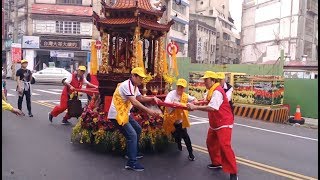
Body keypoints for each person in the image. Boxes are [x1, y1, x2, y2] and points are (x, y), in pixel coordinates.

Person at [108, 67, 162, 172]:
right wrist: (149, 111)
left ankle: (132, 153)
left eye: (142, 78)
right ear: (133, 76)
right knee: (132, 135)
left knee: (137, 129)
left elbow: (140, 98)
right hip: (117, 115)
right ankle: (131, 163)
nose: (141, 80)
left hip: (124, 114)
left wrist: (152, 98)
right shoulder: (126, 85)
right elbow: (135, 102)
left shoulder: (134, 86)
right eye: (140, 77)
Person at [187, 71, 238, 180]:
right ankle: (217, 162)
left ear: (213, 80)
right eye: (204, 80)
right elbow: (207, 101)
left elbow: (212, 107)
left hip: (224, 122)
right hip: (215, 123)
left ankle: (233, 173)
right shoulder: (211, 91)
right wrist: (196, 103)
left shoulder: (218, 92)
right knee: (210, 142)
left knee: (225, 147)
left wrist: (195, 107)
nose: (204, 82)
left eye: (206, 80)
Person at [163, 78, 198, 161]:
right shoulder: (171, 94)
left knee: (186, 137)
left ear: (184, 88)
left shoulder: (185, 95)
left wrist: (194, 101)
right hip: (172, 119)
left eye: (182, 87)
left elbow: (194, 99)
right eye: (179, 86)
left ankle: (191, 153)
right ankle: (178, 145)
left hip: (180, 120)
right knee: (176, 136)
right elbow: (167, 102)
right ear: (177, 86)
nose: (180, 89)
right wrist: (175, 104)